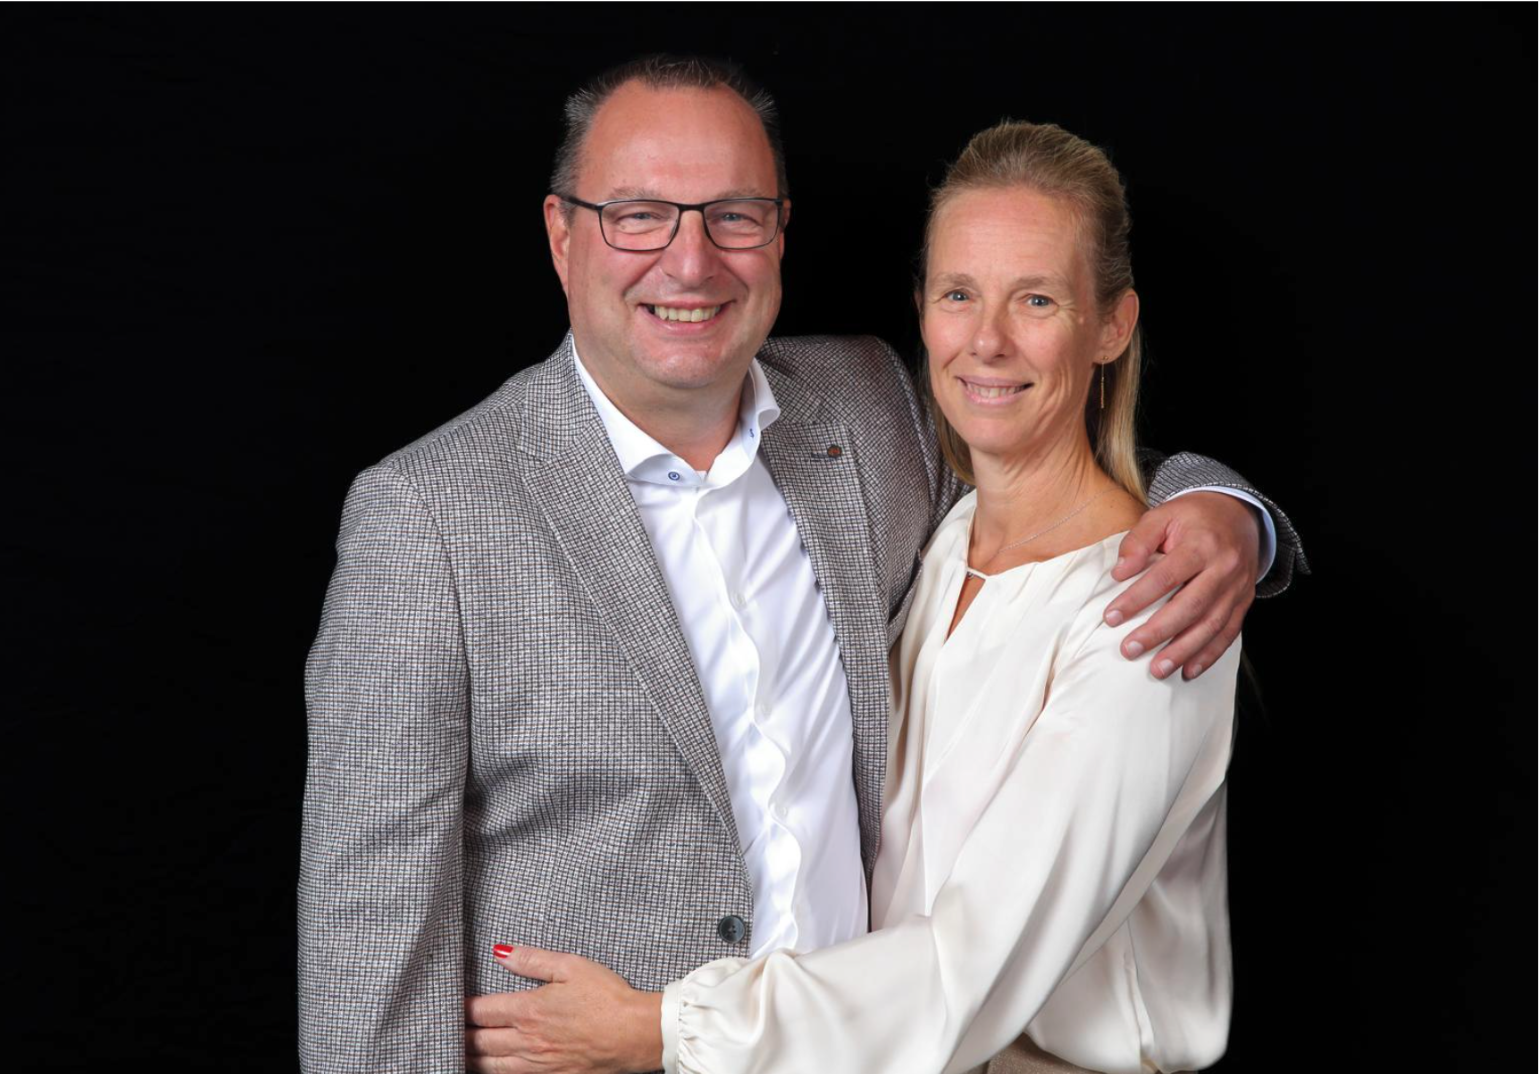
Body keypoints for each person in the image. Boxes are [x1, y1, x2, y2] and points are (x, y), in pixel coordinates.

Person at [300, 56, 1303, 1073]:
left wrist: (1223, 513)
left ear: (778, 232)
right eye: (639, 216)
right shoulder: (428, 519)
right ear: (563, 236)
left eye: (733, 215)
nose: (690, 262)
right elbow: (367, 930)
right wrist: (1229, 514)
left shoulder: (867, 413)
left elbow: (1048, 475)